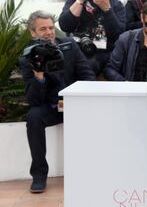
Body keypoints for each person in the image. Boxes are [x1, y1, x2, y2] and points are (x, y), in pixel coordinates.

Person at [19, 11, 95, 193]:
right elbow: (33, 99)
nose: (49, 32)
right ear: (33, 33)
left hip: (74, 103)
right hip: (50, 106)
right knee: (33, 117)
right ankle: (39, 175)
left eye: (51, 28)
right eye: (43, 28)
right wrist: (39, 75)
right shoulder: (28, 58)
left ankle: (90, 171)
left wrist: (78, 97)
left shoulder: (70, 46)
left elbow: (88, 75)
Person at [58, 0, 125, 76]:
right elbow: (65, 25)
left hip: (106, 53)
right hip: (80, 51)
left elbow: (119, 35)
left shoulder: (115, 4)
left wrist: (107, 10)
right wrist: (80, 0)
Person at [104, 0, 147, 81]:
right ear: (142, 18)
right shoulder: (126, 39)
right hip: (131, 90)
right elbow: (110, 69)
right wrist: (125, 84)